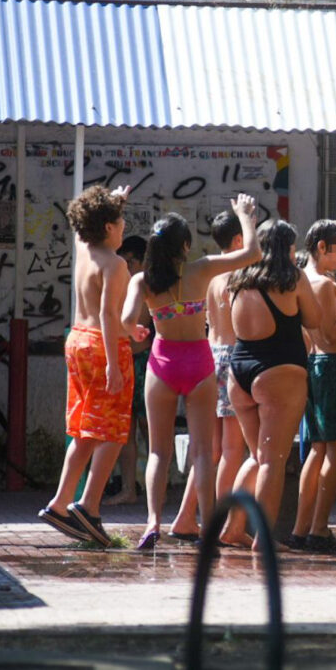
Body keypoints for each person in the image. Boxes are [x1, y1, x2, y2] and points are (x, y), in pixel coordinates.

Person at [122, 196, 260, 549]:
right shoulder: (200, 269)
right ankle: (208, 530)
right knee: (202, 452)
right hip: (199, 363)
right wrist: (245, 217)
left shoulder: (143, 281)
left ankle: (153, 522)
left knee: (158, 452)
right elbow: (250, 255)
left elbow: (125, 320)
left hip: (163, 362)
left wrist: (137, 331)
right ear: (185, 245)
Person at [39, 185, 137, 546]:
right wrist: (114, 363)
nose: (124, 225)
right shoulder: (116, 263)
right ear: (108, 227)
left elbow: (86, 227)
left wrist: (113, 202)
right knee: (112, 430)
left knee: (85, 430)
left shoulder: (84, 250)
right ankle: (89, 506)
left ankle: (61, 503)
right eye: (120, 220)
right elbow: (110, 315)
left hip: (76, 341)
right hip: (102, 347)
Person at [218, 218, 322, 550]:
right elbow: (316, 320)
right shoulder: (293, 279)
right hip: (278, 372)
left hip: (240, 372)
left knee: (258, 456)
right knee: (273, 461)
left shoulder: (237, 279)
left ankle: (233, 529)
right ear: (287, 248)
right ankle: (263, 537)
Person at [168, 211, 250, 541]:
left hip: (210, 354)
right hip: (231, 356)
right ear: (239, 240)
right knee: (231, 451)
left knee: (210, 451)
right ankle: (221, 526)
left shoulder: (211, 274)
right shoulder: (237, 273)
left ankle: (187, 517)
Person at [288, 220, 336, 553]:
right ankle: (318, 528)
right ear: (322, 248)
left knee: (317, 449)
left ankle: (301, 528)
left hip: (313, 365)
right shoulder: (325, 286)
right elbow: (332, 333)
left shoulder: (302, 280)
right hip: (332, 364)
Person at [105, 234, 152, 506]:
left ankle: (156, 487)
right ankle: (128, 488)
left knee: (149, 430)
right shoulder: (125, 284)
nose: (126, 265)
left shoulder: (145, 286)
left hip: (143, 359)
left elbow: (130, 326)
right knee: (126, 430)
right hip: (126, 361)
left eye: (130, 260)